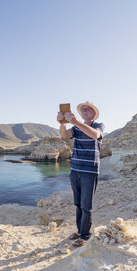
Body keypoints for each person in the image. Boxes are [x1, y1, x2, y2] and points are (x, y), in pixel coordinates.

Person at [57, 101, 105, 247]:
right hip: (75, 170)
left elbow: (94, 135)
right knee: (78, 204)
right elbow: (65, 136)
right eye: (82, 109)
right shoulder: (75, 127)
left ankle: (85, 234)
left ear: (93, 113)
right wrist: (63, 123)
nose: (84, 111)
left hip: (89, 171)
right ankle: (80, 230)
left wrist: (75, 121)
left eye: (88, 109)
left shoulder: (98, 126)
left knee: (86, 205)